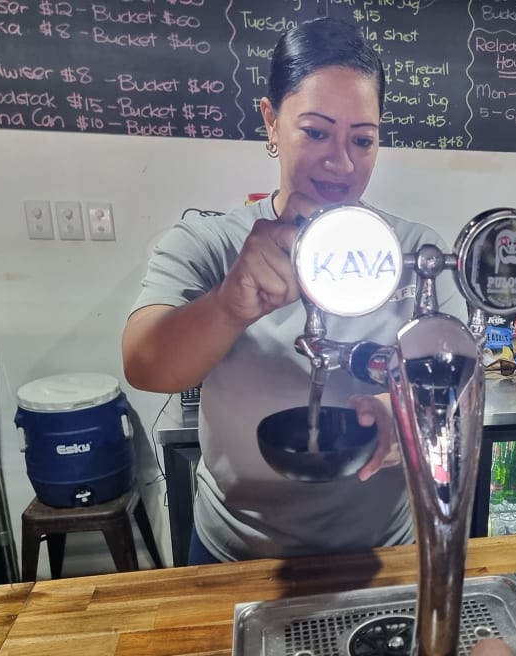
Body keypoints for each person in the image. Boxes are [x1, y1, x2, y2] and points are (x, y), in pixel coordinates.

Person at [122, 17, 464, 564]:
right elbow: (145, 366)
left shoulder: (414, 252)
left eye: (363, 139)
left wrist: (403, 414)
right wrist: (230, 305)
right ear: (270, 122)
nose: (341, 162)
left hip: (381, 554)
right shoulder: (210, 243)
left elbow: (457, 388)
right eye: (315, 131)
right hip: (236, 554)